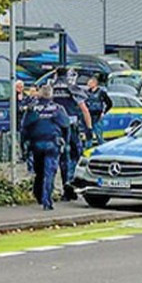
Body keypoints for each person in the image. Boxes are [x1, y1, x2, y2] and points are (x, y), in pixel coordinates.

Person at [20, 84, 71, 210]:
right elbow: (66, 126)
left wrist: (24, 147)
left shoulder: (33, 108)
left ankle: (38, 195)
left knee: (39, 171)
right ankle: (46, 200)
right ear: (51, 95)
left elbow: (24, 128)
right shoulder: (57, 108)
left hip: (36, 144)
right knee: (50, 172)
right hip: (53, 143)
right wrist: (66, 143)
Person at [51, 69, 92, 201]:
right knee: (75, 155)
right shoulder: (71, 88)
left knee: (61, 157)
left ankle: (64, 188)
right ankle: (71, 183)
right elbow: (84, 109)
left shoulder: (52, 88)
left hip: (55, 127)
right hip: (70, 126)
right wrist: (89, 128)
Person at [84, 76, 113, 146]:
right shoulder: (87, 93)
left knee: (98, 135)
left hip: (97, 116)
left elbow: (109, 103)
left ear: (95, 83)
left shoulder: (101, 93)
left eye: (90, 82)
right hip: (89, 116)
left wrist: (104, 112)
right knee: (88, 134)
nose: (88, 84)